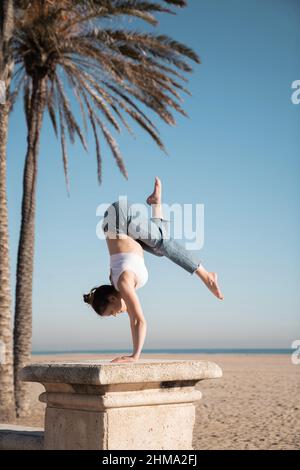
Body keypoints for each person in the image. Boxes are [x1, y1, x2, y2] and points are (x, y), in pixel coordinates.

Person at [83, 177, 224, 363]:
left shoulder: (124, 283)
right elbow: (132, 317)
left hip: (118, 217)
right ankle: (156, 203)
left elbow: (138, 320)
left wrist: (134, 356)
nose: (116, 314)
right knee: (159, 249)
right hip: (119, 226)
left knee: (163, 243)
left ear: (112, 298)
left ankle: (206, 276)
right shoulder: (118, 283)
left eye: (111, 312)